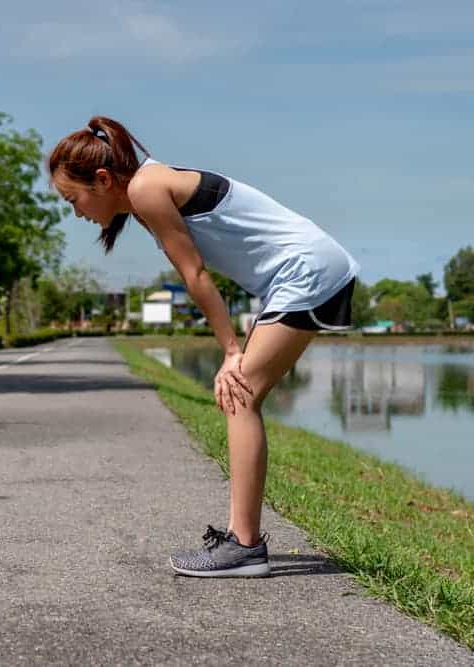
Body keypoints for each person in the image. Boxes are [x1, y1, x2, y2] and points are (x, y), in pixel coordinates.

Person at [48, 116, 359, 577]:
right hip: (302, 272)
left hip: (305, 271)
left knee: (240, 394)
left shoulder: (146, 189)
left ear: (102, 179)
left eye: (73, 200)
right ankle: (242, 542)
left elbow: (195, 275)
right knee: (240, 397)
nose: (76, 212)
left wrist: (230, 351)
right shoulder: (146, 185)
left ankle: (245, 547)